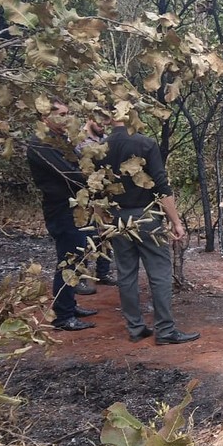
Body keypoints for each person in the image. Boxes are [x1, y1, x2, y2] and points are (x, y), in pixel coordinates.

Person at [100, 117, 200, 345]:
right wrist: (175, 221)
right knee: (159, 273)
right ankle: (165, 330)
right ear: (129, 112)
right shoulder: (144, 143)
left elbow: (97, 188)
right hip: (146, 216)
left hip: (116, 218)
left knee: (126, 274)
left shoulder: (101, 147)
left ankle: (135, 328)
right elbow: (161, 185)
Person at [26, 99, 99, 331]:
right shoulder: (41, 143)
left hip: (73, 207)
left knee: (76, 257)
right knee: (69, 260)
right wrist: (94, 179)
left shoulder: (59, 140)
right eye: (62, 114)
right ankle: (63, 316)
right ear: (44, 117)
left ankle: (69, 305)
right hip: (60, 209)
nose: (67, 118)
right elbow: (69, 173)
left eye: (68, 114)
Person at [75, 117, 115, 286]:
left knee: (106, 234)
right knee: (84, 236)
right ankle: (81, 277)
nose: (103, 125)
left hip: (104, 194)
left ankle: (102, 273)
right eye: (99, 121)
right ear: (89, 118)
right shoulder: (78, 139)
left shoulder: (106, 138)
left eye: (106, 121)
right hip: (85, 194)